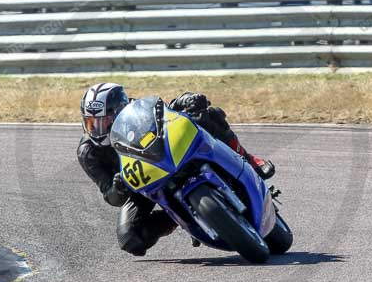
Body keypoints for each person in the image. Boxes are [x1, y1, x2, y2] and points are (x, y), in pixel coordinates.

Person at [77, 82, 274, 257]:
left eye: (105, 121)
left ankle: (248, 158)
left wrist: (186, 99)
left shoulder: (135, 112)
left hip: (167, 153)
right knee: (130, 239)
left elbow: (167, 109)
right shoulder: (88, 153)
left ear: (120, 111)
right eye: (91, 123)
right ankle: (179, 218)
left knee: (207, 113)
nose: (98, 129)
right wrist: (118, 188)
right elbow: (111, 197)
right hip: (140, 183)